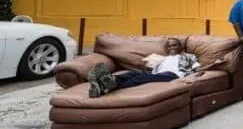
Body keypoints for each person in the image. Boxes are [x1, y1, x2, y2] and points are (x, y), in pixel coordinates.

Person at [87, 37, 215, 98]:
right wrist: (144, 65)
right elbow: (150, 71)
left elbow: (197, 69)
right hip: (156, 74)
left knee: (142, 77)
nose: (172, 48)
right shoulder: (161, 58)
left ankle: (107, 84)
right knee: (133, 73)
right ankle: (106, 82)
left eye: (174, 45)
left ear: (180, 46)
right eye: (169, 46)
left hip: (172, 75)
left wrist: (216, 64)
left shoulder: (187, 57)